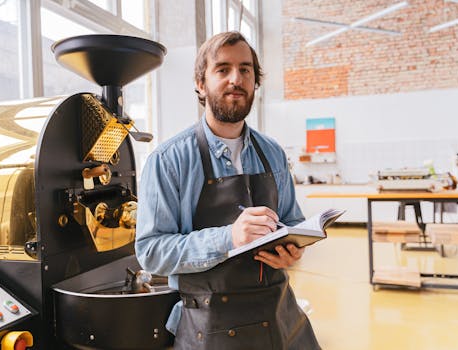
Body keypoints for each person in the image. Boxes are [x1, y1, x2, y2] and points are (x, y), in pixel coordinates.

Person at [135, 31, 320, 350]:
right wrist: (228, 238)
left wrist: (294, 250)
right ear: (200, 83)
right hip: (210, 328)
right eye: (223, 69)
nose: (236, 78)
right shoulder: (169, 160)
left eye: (245, 69)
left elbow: (291, 220)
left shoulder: (272, 153)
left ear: (255, 81)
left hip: (279, 317)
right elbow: (151, 252)